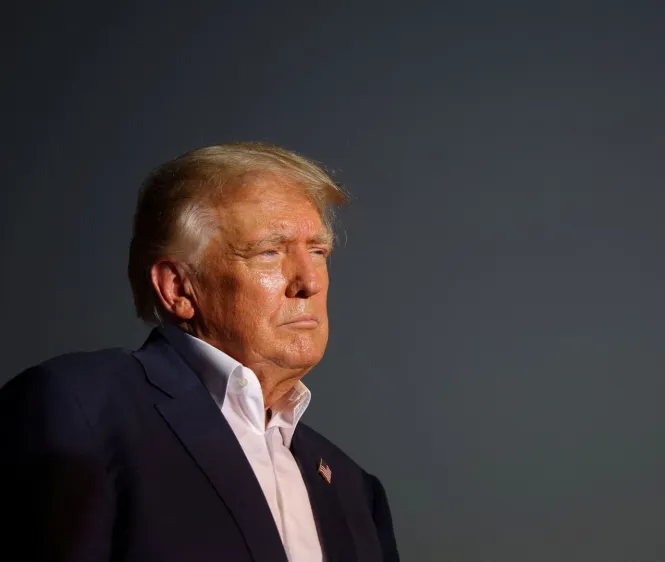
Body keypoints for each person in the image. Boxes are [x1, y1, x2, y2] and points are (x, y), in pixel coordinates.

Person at [0, 142, 400, 562]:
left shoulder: (355, 490)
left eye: (318, 251)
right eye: (269, 252)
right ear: (178, 288)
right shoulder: (77, 409)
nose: (309, 282)